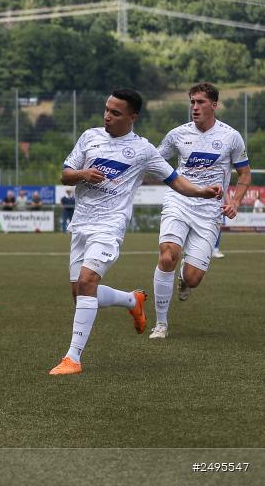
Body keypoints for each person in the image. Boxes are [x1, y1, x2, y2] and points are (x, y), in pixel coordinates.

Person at [49, 89, 221, 376]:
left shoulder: (143, 150)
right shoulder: (89, 137)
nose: (108, 116)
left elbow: (176, 180)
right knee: (79, 294)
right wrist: (83, 174)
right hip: (81, 224)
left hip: (109, 225)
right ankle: (132, 300)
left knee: (88, 281)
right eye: (106, 109)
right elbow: (65, 173)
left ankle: (72, 358)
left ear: (132, 117)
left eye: (116, 113)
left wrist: (202, 192)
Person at [148, 83, 251, 339]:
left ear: (213, 105)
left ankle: (185, 278)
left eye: (200, 102)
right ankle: (161, 324)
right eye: (192, 102)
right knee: (167, 255)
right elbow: (156, 162)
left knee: (193, 278)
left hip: (209, 211)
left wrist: (235, 201)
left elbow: (245, 174)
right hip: (179, 201)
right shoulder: (177, 135)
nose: (195, 107)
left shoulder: (231, 137)